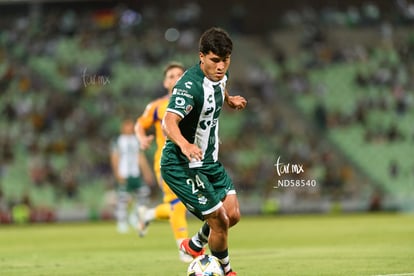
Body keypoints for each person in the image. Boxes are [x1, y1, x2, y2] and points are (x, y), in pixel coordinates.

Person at [160, 27, 247, 276]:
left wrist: (229, 100)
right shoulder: (189, 86)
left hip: (207, 161)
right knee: (220, 221)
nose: (221, 66)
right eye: (215, 60)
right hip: (181, 164)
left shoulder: (221, 75)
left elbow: (220, 86)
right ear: (201, 57)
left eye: (225, 60)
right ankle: (228, 271)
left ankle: (196, 243)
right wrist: (185, 144)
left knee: (232, 214)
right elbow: (168, 121)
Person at [134, 62, 192, 262]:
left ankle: (148, 215)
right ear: (165, 83)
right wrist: (142, 137)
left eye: (179, 74)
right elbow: (140, 124)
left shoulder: (195, 100)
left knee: (184, 205)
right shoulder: (157, 106)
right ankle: (185, 249)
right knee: (177, 203)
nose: (176, 78)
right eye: (171, 76)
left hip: (191, 160)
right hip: (166, 161)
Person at [110, 119, 154, 233]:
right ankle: (122, 222)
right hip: (123, 172)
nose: (129, 128)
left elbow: (140, 157)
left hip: (135, 173)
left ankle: (134, 216)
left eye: (131, 126)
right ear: (123, 127)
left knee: (144, 193)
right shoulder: (118, 141)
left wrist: (147, 172)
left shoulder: (136, 140)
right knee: (122, 199)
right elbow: (115, 157)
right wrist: (117, 172)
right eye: (127, 126)